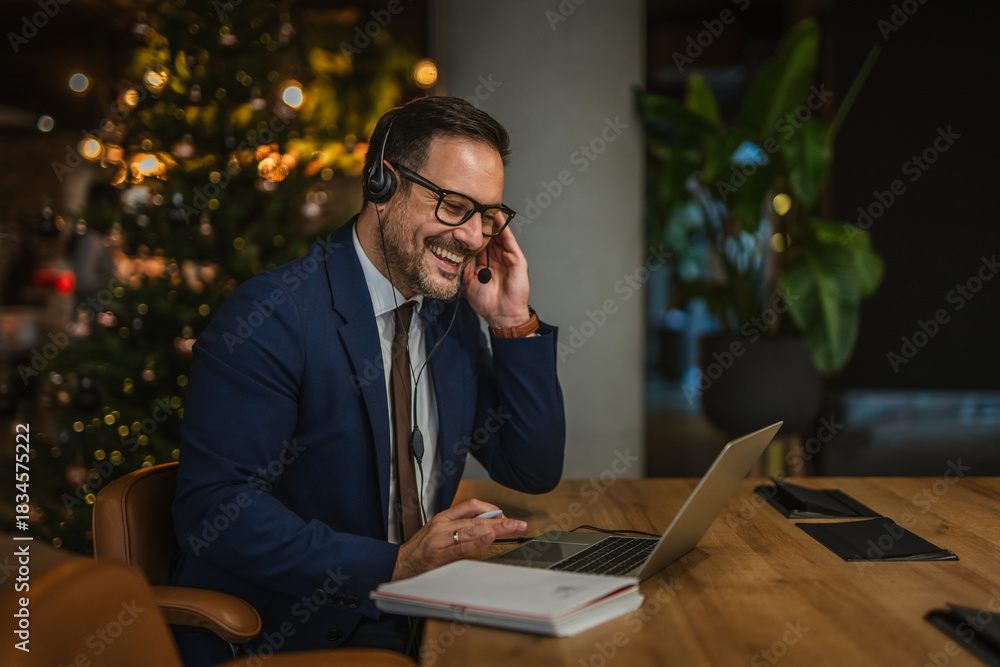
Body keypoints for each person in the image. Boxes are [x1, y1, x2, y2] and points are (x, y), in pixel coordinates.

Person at [171, 95, 566, 664]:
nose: (477, 237)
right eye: (455, 205)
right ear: (382, 184)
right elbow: (213, 510)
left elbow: (530, 467)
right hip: (291, 636)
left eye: (488, 214)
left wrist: (511, 322)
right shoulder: (271, 315)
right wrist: (397, 565)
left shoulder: (447, 315)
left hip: (415, 617)